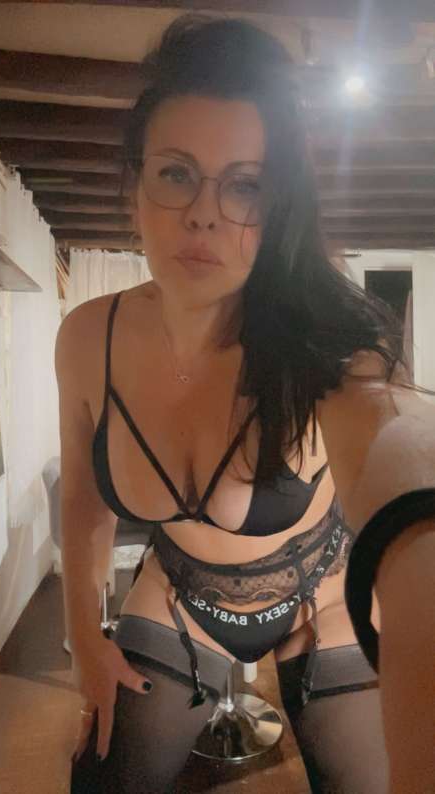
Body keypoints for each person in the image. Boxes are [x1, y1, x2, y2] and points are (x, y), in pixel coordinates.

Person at [55, 13, 435, 794]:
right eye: (176, 174)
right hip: (178, 595)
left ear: (278, 206)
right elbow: (85, 505)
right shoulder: (88, 338)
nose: (204, 213)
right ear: (133, 185)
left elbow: (394, 439)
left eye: (246, 185)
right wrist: (83, 637)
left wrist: (419, 546)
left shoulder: (326, 345)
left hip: (322, 599)